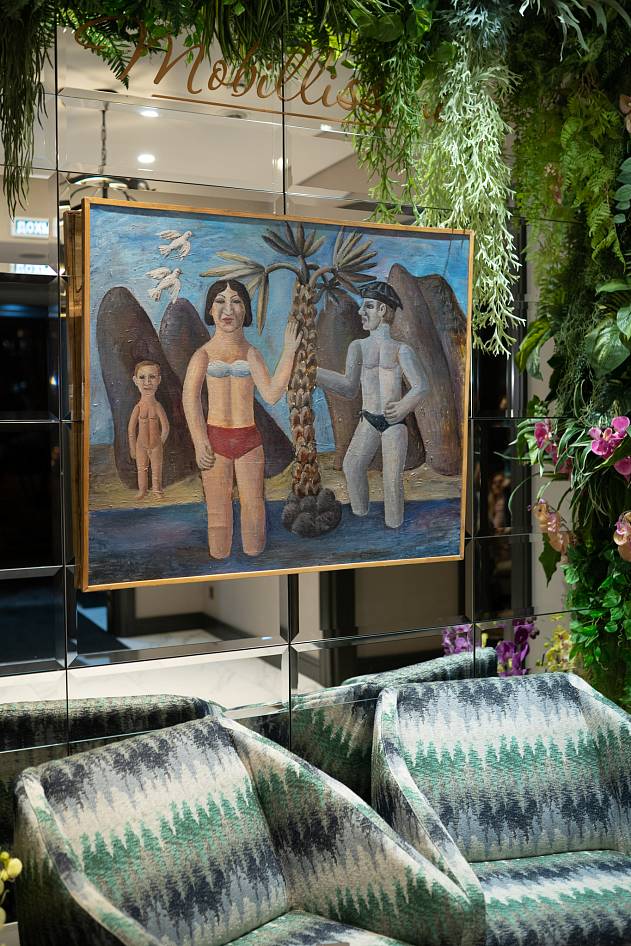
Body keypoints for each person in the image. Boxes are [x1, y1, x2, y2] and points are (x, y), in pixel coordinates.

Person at [183, 279, 301, 559]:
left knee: (254, 507)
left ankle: (256, 562)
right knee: (217, 512)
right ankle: (220, 565)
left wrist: (289, 352)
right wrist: (199, 441)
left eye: (236, 301)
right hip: (215, 440)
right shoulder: (202, 355)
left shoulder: (251, 354)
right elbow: (189, 399)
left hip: (249, 440)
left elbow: (271, 394)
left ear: (245, 310)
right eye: (220, 301)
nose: (228, 309)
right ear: (210, 310)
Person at [316, 280, 426, 528]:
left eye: (367, 306)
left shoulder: (401, 350)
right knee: (352, 466)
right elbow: (348, 387)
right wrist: (316, 373)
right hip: (368, 420)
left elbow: (421, 386)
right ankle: (360, 517)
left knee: (391, 479)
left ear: (383, 310)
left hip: (395, 424)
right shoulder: (358, 347)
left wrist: (403, 406)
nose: (360, 312)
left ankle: (395, 528)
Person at [128, 360, 170, 499]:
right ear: (135, 381)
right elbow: (131, 430)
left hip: (156, 445)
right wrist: (133, 448)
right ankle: (143, 490)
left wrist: (159, 443)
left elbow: (165, 427)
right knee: (141, 469)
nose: (147, 382)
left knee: (156, 469)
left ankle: (157, 490)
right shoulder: (138, 407)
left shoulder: (157, 406)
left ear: (159, 380)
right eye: (142, 377)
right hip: (141, 445)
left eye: (152, 377)